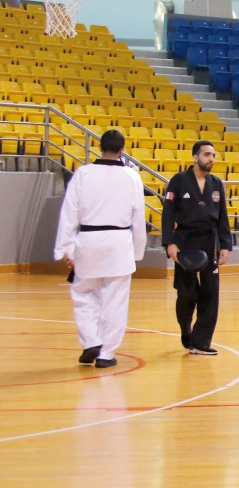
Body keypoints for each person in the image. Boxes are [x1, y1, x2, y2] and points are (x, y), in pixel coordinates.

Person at [53, 129, 147, 369]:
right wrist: (137, 252)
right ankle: (106, 353)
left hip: (88, 240)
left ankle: (91, 341)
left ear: (100, 147)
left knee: (84, 293)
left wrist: (65, 247)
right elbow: (138, 217)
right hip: (119, 242)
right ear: (123, 150)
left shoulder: (83, 174)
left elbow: (70, 211)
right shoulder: (131, 176)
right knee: (115, 300)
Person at [162, 140, 233, 357]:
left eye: (213, 155)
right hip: (185, 242)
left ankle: (201, 342)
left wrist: (225, 245)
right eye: (206, 155)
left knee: (211, 293)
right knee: (187, 293)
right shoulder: (179, 181)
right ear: (195, 157)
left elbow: (222, 217)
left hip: (210, 242)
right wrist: (170, 243)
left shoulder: (216, 183)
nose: (211, 159)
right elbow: (167, 214)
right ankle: (186, 328)